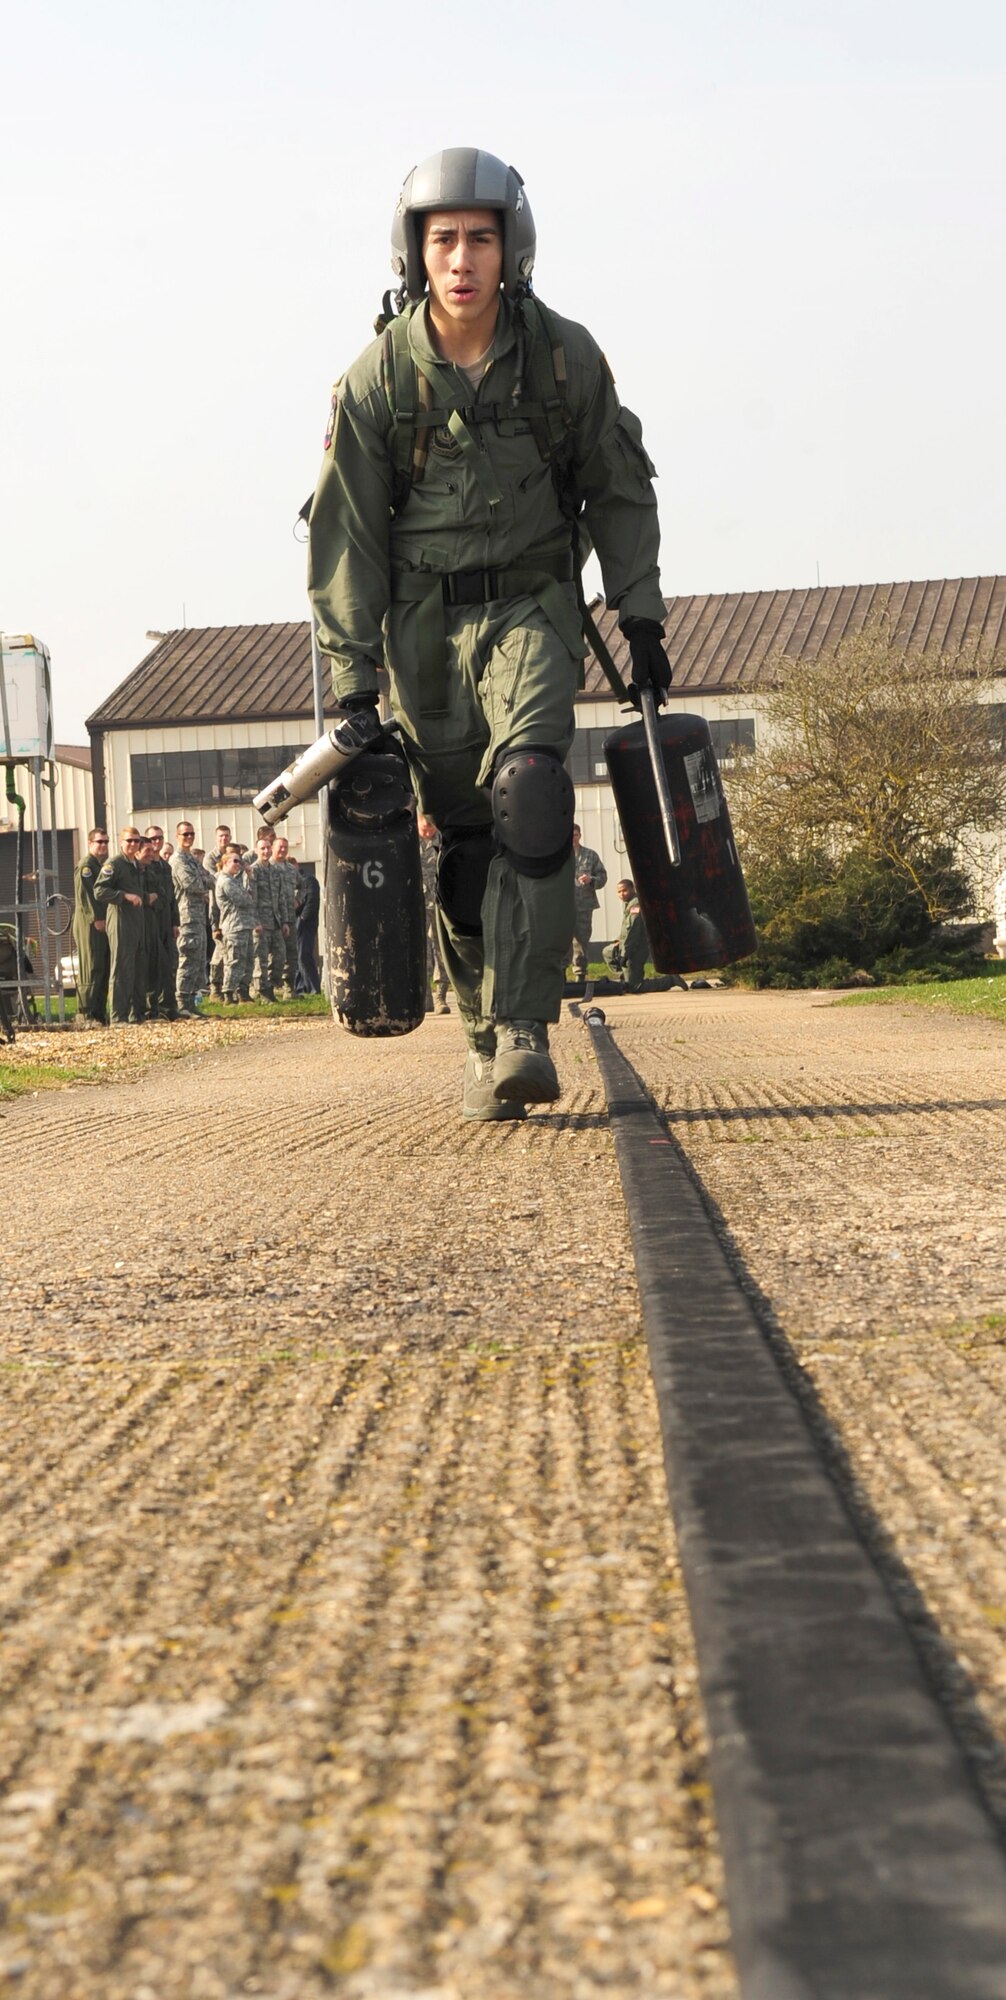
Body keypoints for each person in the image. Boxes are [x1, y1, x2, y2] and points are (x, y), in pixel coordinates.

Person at [308, 147, 669, 1121]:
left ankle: (522, 1027)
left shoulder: (563, 358)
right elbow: (344, 542)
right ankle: (479, 1033)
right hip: (420, 631)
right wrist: (350, 682)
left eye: (478, 237)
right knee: (466, 847)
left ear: (511, 249)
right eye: (442, 240)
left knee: (533, 795)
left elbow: (618, 489)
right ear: (413, 255)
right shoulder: (379, 381)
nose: (461, 258)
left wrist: (640, 613)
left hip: (530, 607)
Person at [94, 827, 146, 1024]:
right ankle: (118, 1016)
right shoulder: (114, 863)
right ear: (121, 842)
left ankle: (136, 1014)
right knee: (121, 968)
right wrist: (123, 896)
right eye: (129, 841)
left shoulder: (135, 864)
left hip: (136, 920)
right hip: (120, 919)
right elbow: (99, 890)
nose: (133, 844)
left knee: (137, 966)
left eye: (136, 841)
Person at [170, 821, 214, 1016]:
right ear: (177, 836)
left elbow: (211, 879)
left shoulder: (193, 860)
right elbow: (192, 884)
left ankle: (190, 1002)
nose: (188, 838)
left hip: (198, 916)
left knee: (198, 959)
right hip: (186, 916)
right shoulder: (178, 860)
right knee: (187, 958)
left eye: (191, 834)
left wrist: (204, 882)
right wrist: (204, 882)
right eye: (185, 834)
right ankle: (182, 1002)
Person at [72, 828, 111, 1024]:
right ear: (90, 843)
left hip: (101, 923)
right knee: (92, 966)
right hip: (90, 924)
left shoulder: (100, 866)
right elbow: (85, 896)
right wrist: (96, 918)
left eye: (106, 842)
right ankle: (86, 1013)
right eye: (99, 842)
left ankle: (98, 1012)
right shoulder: (86, 866)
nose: (103, 845)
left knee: (103, 965)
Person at [143, 825, 180, 1020]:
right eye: (152, 839)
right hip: (151, 920)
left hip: (166, 920)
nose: (156, 842)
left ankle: (169, 1007)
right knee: (153, 965)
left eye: (159, 838)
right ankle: (152, 1008)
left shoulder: (165, 866)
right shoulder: (144, 865)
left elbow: (172, 896)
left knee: (169, 964)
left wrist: (175, 921)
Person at [213, 844, 260, 1000]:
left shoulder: (235, 880)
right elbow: (243, 900)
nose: (238, 864)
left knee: (247, 961)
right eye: (235, 861)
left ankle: (243, 992)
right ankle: (228, 993)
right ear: (225, 863)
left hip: (244, 924)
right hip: (234, 927)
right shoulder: (225, 881)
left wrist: (250, 878)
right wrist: (248, 895)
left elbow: (252, 896)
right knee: (234, 961)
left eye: (239, 861)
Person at [418, 812, 450, 1014]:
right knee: (421, 949)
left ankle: (441, 996)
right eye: (425, 828)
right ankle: (425, 995)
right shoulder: (409, 842)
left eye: (431, 828)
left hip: (439, 901)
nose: (428, 832)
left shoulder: (443, 840)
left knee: (441, 949)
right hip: (419, 903)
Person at [246, 831, 286, 997]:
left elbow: (281, 897)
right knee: (260, 959)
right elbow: (250, 899)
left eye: (268, 848)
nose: (266, 851)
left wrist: (284, 921)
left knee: (280, 955)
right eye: (262, 848)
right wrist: (255, 922)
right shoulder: (253, 871)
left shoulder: (275, 871)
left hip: (275, 921)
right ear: (256, 850)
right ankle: (262, 991)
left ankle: (272, 985)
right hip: (260, 922)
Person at [568, 823, 607, 982]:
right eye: (571, 836)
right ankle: (561, 976)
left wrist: (591, 880)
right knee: (562, 940)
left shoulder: (590, 856)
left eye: (576, 835)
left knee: (581, 940)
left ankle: (580, 975)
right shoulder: (559, 856)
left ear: (580, 835)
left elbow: (603, 877)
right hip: (562, 906)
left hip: (584, 905)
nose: (573, 838)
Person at [603, 878, 650, 992]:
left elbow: (633, 931)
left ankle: (670, 980)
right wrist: (618, 942)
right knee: (608, 952)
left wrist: (625, 953)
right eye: (619, 892)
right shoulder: (629, 904)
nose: (621, 894)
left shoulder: (636, 905)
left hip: (636, 949)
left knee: (634, 987)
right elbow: (625, 930)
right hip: (628, 946)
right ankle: (624, 977)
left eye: (624, 890)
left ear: (632, 889)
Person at [270, 835, 300, 995]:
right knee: (275, 954)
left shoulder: (290, 869)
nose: (282, 850)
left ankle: (289, 987)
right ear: (273, 848)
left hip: (290, 916)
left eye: (285, 847)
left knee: (291, 953)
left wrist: (298, 899)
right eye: (280, 847)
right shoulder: (268, 868)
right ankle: (272, 986)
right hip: (273, 917)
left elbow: (303, 886)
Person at [295, 866, 322, 993]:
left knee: (304, 955)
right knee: (297, 957)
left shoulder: (308, 880)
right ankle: (301, 987)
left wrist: (302, 918)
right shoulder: (295, 882)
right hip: (297, 922)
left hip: (306, 923)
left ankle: (312, 988)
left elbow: (312, 901)